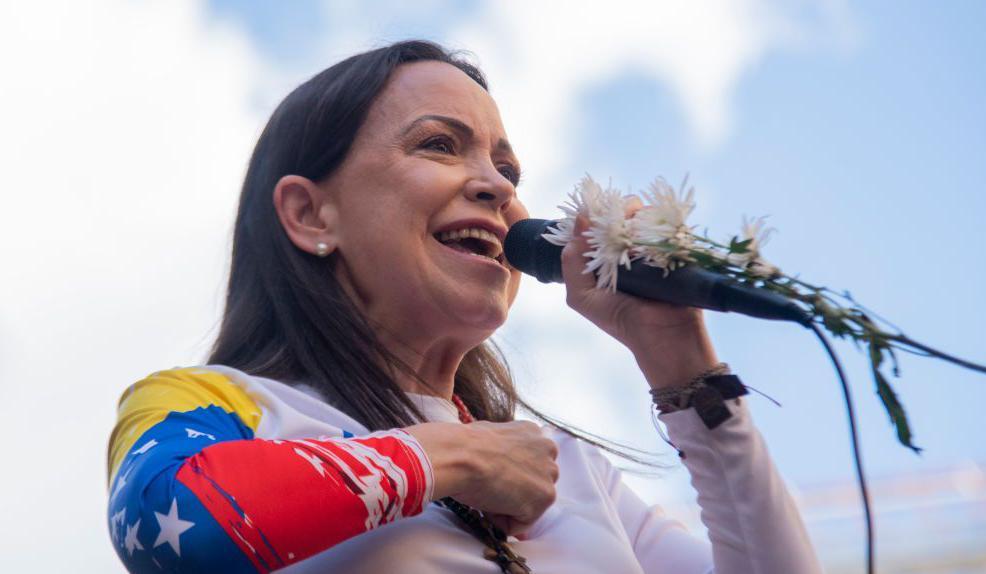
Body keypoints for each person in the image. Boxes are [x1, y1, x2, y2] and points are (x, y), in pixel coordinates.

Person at [105, 40, 822, 573]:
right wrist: (448, 459)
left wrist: (684, 369)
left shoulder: (568, 471)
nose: (496, 186)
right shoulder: (217, 406)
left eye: (507, 169)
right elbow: (167, 523)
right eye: (440, 146)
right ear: (311, 216)